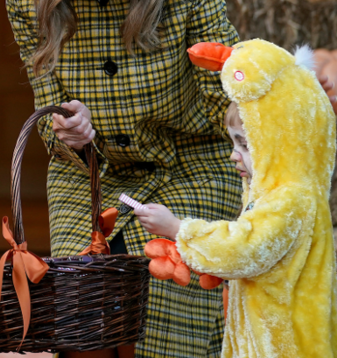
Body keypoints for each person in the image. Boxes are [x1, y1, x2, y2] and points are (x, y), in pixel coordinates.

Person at [6, 0, 242, 358]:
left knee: (172, 320)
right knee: (81, 321)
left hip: (192, 165)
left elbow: (222, 72)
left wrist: (249, 105)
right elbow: (48, 109)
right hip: (91, 176)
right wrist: (71, 132)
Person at [136, 39, 337, 358]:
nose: (234, 155)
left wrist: (178, 230)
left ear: (278, 141)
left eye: (245, 144)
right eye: (234, 143)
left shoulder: (290, 199)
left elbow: (244, 247)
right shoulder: (279, 192)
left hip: (281, 346)